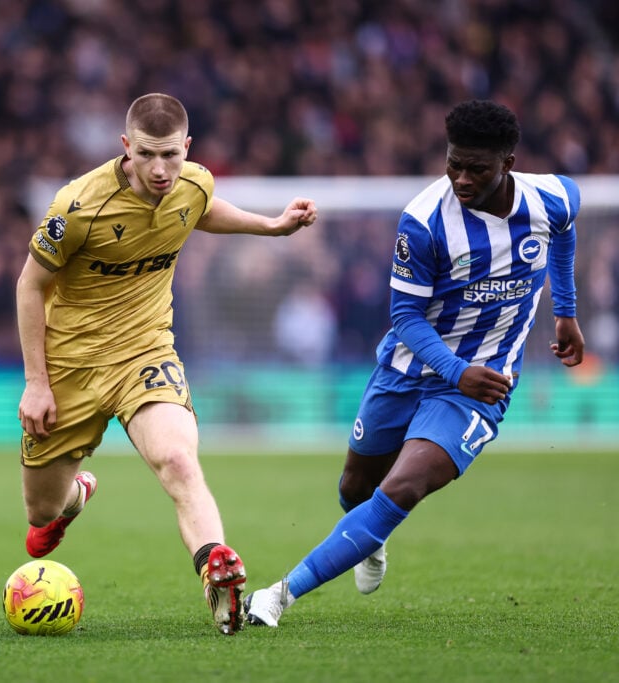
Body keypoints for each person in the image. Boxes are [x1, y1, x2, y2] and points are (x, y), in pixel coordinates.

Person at [244, 99, 585, 627]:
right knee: (355, 490)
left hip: (479, 387)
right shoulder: (424, 222)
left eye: (477, 168)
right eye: (454, 164)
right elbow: (404, 316)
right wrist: (454, 367)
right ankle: (368, 538)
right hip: (408, 369)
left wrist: (565, 311)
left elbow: (564, 232)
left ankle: (280, 594)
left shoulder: (554, 196)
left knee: (402, 487)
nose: (462, 178)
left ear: (508, 163)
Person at [15, 93, 318, 636]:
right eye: (149, 155)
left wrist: (271, 227)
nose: (161, 170)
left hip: (145, 352)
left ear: (188, 148)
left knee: (178, 460)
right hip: (70, 366)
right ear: (126, 147)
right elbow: (30, 285)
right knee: (41, 513)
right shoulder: (77, 205)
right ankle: (75, 497)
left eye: (172, 156)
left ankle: (216, 571)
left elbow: (201, 210)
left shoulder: (195, 182)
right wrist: (37, 382)